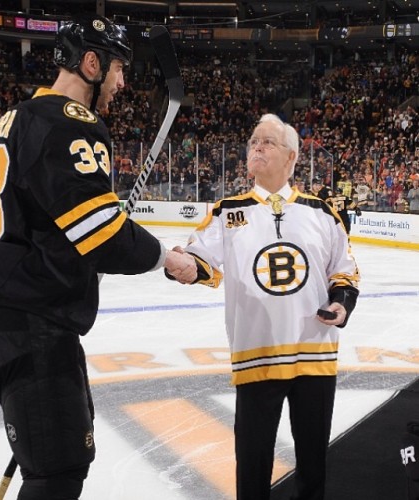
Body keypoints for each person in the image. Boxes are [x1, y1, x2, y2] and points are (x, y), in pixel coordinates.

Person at [0, 15, 196, 500]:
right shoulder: (70, 123)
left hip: (7, 302)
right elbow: (101, 235)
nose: (122, 83)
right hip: (28, 314)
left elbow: (59, 221)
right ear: (91, 63)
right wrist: (167, 258)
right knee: (58, 470)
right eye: (119, 69)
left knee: (52, 453)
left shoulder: (21, 115)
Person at [167, 113, 360, 500]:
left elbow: (345, 272)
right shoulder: (228, 212)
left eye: (267, 142)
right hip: (258, 354)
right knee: (252, 464)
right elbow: (200, 260)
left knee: (312, 463)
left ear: (291, 157)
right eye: (254, 140)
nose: (256, 146)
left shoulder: (322, 212)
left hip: (314, 354)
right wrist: (183, 266)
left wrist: (340, 304)